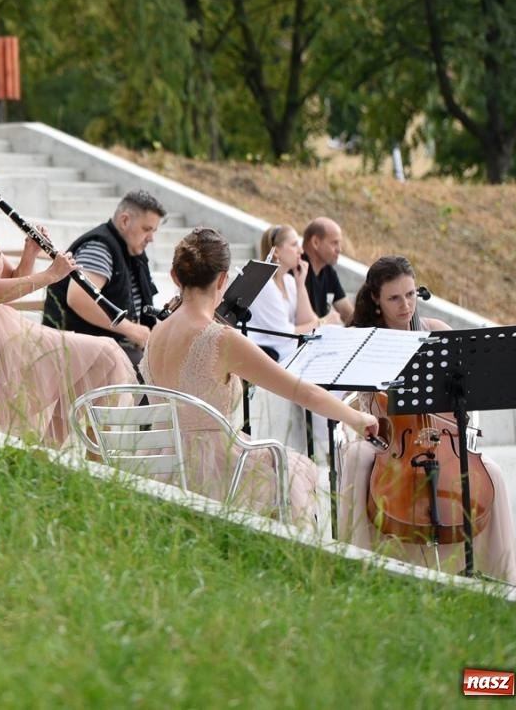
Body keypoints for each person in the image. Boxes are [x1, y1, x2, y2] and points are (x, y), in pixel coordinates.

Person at [141, 227, 379, 532]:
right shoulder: (219, 339)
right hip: (208, 470)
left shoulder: (155, 333)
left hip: (157, 460)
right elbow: (302, 393)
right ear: (223, 280)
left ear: (175, 276)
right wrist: (357, 417)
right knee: (293, 470)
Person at [0, 139, 136, 447]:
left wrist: (30, 252)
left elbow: (10, 278)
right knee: (105, 355)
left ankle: (46, 453)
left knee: (95, 362)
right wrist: (51, 275)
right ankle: (53, 454)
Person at [334, 256, 516, 582]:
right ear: (376, 299)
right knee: (357, 456)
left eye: (411, 295)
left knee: (491, 471)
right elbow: (350, 400)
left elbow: (465, 393)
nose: (406, 305)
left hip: (440, 440)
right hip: (386, 442)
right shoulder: (368, 341)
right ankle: (360, 565)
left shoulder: (437, 332)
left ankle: (501, 577)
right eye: (394, 298)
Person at [41, 189, 165, 371]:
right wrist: (130, 329)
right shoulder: (99, 247)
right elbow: (78, 299)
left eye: (153, 231)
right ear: (124, 221)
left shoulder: (131, 251)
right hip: (80, 349)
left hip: (110, 346)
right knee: (154, 372)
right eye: (146, 229)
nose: (151, 238)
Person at [246, 224, 323, 458]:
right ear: (276, 251)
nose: (300, 250)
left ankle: (322, 443)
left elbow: (308, 321)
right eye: (293, 245)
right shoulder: (265, 286)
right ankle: (320, 445)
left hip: (289, 347)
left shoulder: (290, 282)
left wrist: (301, 285)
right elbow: (287, 332)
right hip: (271, 350)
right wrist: (322, 322)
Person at [302, 217, 354, 325]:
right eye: (335, 243)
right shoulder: (297, 270)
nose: (339, 249)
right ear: (315, 242)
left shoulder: (328, 271)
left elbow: (347, 313)